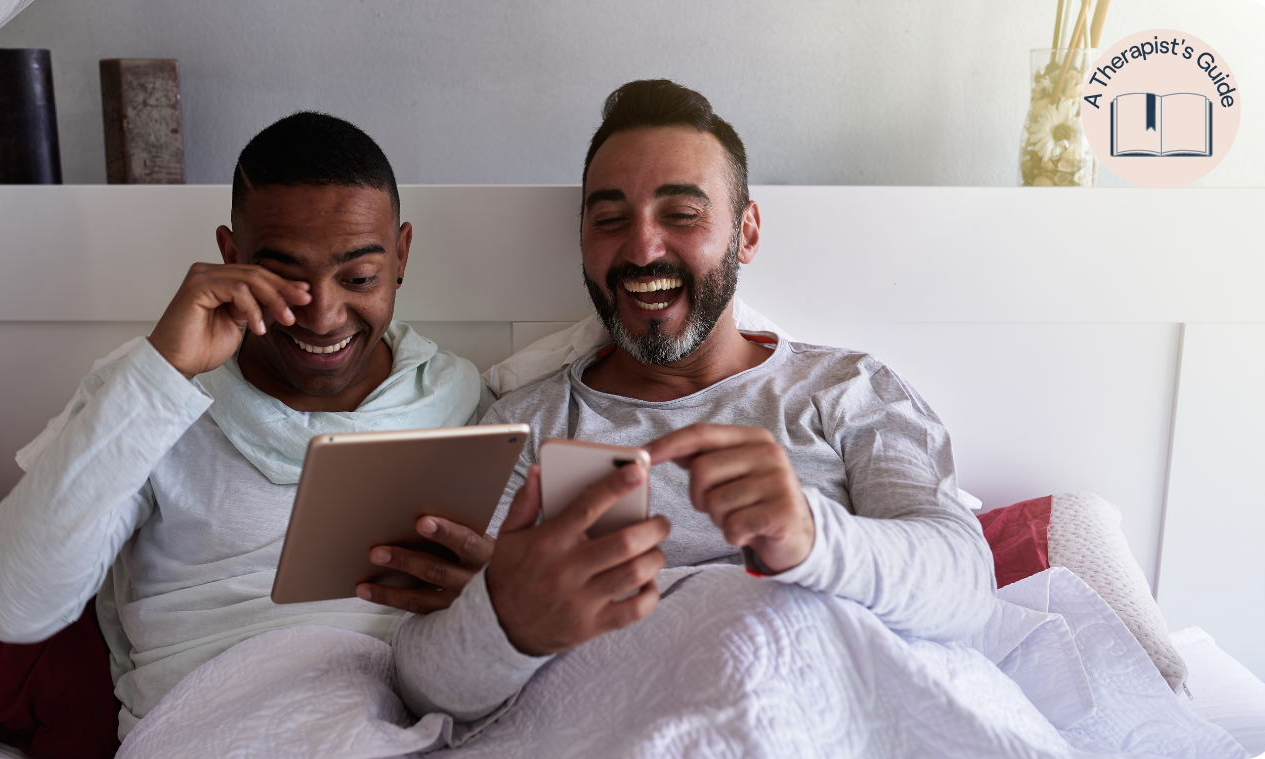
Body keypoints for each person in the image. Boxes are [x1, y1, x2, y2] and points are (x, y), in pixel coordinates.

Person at [381, 79, 998, 722]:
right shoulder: (525, 426)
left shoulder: (847, 391)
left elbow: (966, 590)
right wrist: (507, 623)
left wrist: (813, 536)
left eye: (681, 214)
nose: (643, 250)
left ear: (746, 232)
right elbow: (420, 680)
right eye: (610, 220)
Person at [0, 112, 483, 738]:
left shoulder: (458, 396)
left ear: (401, 253)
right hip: (214, 727)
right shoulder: (145, 394)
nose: (322, 316)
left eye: (360, 278)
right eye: (286, 278)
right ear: (230, 256)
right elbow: (13, 608)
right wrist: (164, 370)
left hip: (412, 713)